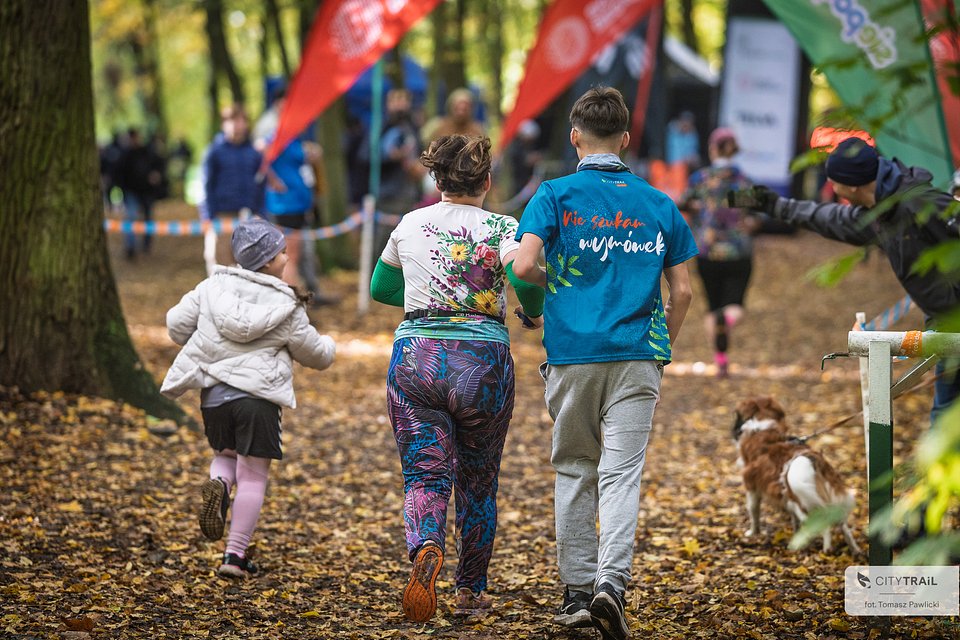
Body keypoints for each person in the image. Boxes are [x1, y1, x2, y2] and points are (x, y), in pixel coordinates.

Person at [512, 87, 697, 640]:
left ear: (574, 137)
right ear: (625, 138)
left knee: (575, 468)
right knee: (622, 475)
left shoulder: (554, 194)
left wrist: (555, 290)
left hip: (572, 354)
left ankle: (574, 594)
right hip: (638, 354)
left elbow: (523, 265)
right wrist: (664, 345)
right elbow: (682, 291)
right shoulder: (660, 203)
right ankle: (610, 588)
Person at [369, 134, 545, 622]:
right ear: (487, 182)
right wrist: (532, 313)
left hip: (416, 359)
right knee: (479, 479)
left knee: (425, 473)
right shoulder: (502, 226)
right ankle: (470, 590)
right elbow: (527, 276)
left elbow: (381, 286)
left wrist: (424, 291)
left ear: (436, 180)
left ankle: (426, 546)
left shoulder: (410, 223)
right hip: (482, 362)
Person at [739, 137, 960, 424]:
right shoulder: (882, 212)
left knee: (944, 419)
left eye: (834, 182)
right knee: (945, 418)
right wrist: (775, 205)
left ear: (853, 185)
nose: (832, 188)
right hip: (945, 326)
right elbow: (831, 218)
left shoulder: (920, 202)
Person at [160, 217, 336, 578]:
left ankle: (220, 486)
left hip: (214, 396)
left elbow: (176, 325)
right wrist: (331, 346)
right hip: (258, 400)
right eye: (283, 251)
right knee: (254, 476)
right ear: (270, 260)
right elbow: (315, 354)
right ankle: (234, 557)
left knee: (224, 456)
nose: (288, 256)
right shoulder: (287, 303)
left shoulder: (212, 287)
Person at [679, 127, 759, 377]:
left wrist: (697, 209)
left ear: (712, 149)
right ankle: (728, 317)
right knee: (735, 304)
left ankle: (720, 360)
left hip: (707, 251)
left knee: (712, 307)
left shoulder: (700, 179)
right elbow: (754, 216)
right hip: (738, 251)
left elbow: (682, 203)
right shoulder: (742, 181)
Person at [200, 104, 263, 276]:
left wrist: (260, 212)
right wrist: (207, 216)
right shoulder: (214, 152)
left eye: (241, 120)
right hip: (221, 216)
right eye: (232, 121)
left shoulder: (253, 153)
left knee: (248, 267)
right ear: (224, 124)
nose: (237, 125)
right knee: (220, 265)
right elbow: (206, 185)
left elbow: (260, 183)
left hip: (249, 217)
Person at [115, 127, 165, 259]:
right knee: (131, 218)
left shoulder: (147, 152)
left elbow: (159, 165)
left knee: (148, 219)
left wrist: (156, 175)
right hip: (131, 192)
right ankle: (130, 247)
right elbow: (118, 173)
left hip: (147, 192)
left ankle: (146, 244)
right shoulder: (124, 154)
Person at [420, 88, 485, 143]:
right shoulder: (436, 126)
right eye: (458, 108)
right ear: (450, 107)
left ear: (471, 109)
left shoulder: (478, 130)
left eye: (465, 109)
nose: (461, 113)